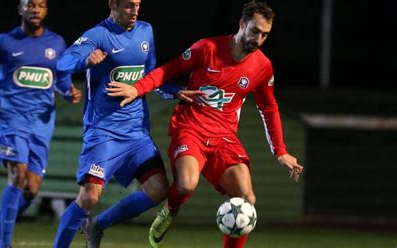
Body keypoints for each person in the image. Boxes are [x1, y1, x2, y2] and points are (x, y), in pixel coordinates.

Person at [107, 1, 304, 248]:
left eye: (264, 34)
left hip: (224, 138)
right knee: (187, 184)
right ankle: (170, 210)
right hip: (190, 128)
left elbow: (269, 108)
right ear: (242, 24)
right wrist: (137, 89)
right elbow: (166, 71)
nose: (258, 39)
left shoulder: (262, 67)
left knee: (246, 200)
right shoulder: (208, 48)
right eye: (255, 31)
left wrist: (281, 151)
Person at [51, 0, 201, 247]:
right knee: (89, 197)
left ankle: (97, 224)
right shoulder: (98, 35)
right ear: (113, 4)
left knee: (158, 190)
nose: (135, 11)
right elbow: (63, 63)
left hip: (136, 133)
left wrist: (174, 92)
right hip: (103, 132)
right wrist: (85, 61)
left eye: (138, 5)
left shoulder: (145, 31)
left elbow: (150, 75)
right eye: (129, 5)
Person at [0, 0, 82, 247]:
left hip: (41, 125)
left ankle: (5, 215)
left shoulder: (57, 43)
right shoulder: (4, 42)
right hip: (11, 120)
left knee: (31, 189)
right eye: (30, 5)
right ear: (20, 9)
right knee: (17, 175)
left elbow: (61, 78)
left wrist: (68, 92)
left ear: (46, 10)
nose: (35, 10)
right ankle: (4, 243)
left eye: (40, 5)